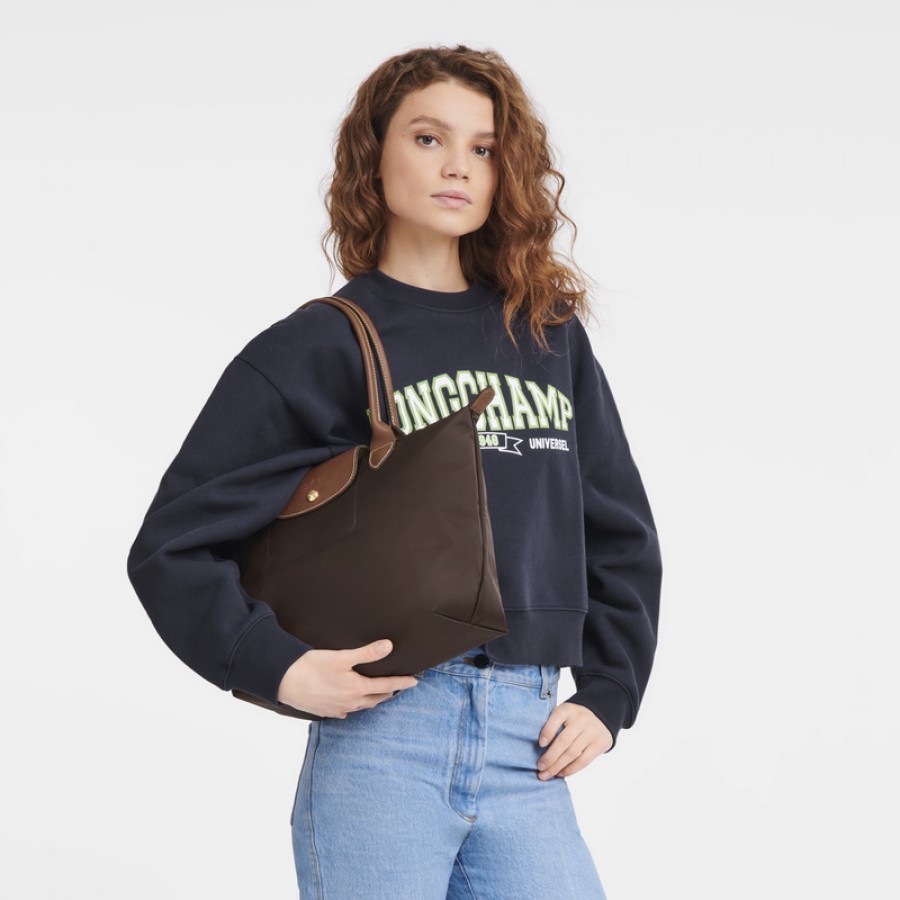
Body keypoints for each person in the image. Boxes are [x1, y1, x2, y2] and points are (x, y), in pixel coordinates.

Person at [127, 44, 663, 899]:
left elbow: (618, 529)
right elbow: (172, 545)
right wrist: (275, 665)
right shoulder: (320, 343)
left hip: (530, 738)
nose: (458, 167)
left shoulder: (547, 335)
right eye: (428, 138)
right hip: (386, 736)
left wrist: (609, 692)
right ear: (373, 155)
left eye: (484, 148)